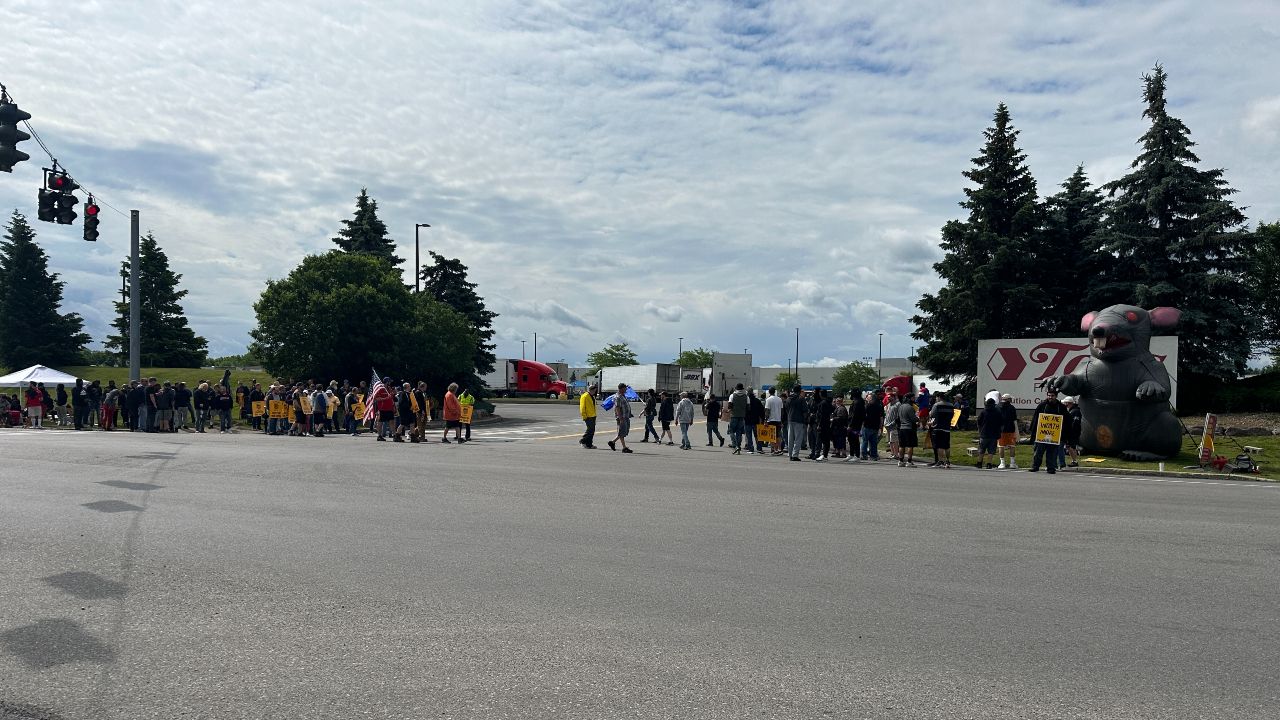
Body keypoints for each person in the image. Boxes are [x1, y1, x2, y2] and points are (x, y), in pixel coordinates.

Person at [1028, 389, 1067, 474]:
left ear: (1056, 396)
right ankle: (1035, 466)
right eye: (1049, 395)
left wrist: (1063, 435)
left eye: (1052, 396)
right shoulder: (1042, 406)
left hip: (1054, 435)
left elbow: (1066, 422)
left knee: (1052, 453)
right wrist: (1034, 433)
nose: (1050, 397)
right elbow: (1035, 419)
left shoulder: (1061, 407)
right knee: (1038, 452)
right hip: (1041, 435)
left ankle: (1051, 468)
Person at [928, 394, 955, 468]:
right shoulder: (951, 405)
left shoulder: (936, 405)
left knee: (940, 446)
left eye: (937, 397)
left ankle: (940, 461)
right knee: (947, 446)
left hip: (938, 428)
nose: (936, 399)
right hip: (947, 428)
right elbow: (953, 415)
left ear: (939, 397)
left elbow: (932, 415)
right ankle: (947, 461)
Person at [976, 397, 1002, 469]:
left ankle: (979, 463)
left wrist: (980, 430)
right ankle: (989, 464)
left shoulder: (983, 412)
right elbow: (1001, 423)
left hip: (984, 434)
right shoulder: (998, 412)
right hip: (994, 434)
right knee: (991, 451)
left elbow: (978, 422)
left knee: (982, 450)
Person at [607, 383, 633, 453]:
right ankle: (624, 448)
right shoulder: (617, 397)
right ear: (621, 389)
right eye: (625, 389)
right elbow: (617, 408)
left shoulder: (623, 395)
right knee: (622, 432)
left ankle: (612, 442)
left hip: (626, 416)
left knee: (624, 432)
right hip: (622, 417)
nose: (626, 390)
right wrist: (620, 418)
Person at [896, 392, 919, 467]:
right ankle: (909, 461)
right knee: (910, 445)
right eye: (913, 398)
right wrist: (918, 418)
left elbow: (898, 418)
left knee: (902, 445)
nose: (914, 399)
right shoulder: (910, 407)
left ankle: (900, 461)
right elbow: (913, 419)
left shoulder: (901, 406)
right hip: (909, 428)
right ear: (909, 398)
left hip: (902, 428)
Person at [785, 387, 808, 461]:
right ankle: (795, 455)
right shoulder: (801, 398)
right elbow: (805, 410)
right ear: (799, 391)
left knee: (790, 438)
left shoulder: (789, 398)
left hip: (790, 419)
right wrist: (805, 420)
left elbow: (786, 408)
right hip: (799, 420)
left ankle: (790, 454)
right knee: (798, 438)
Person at [997, 393, 1020, 470]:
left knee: (1001, 446)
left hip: (1000, 430)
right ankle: (1012, 463)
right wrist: (1017, 431)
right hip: (1011, 429)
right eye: (1010, 399)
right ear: (1008, 399)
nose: (1011, 400)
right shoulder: (1012, 408)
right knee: (1012, 446)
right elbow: (1014, 420)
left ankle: (1002, 463)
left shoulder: (997, 407)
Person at [862, 390, 883, 461]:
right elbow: (881, 417)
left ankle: (864, 455)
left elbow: (864, 415)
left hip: (867, 425)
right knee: (873, 442)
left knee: (865, 441)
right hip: (875, 426)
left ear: (871, 398)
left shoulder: (868, 405)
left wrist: (862, 424)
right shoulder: (879, 406)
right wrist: (880, 426)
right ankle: (873, 456)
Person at [727, 383, 748, 455]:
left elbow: (729, 406)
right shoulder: (746, 396)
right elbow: (748, 408)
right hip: (742, 416)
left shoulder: (732, 395)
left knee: (731, 431)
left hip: (734, 416)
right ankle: (738, 446)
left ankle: (735, 445)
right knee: (739, 432)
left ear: (736, 388)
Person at [1063, 396, 1082, 467]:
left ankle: (1074, 461)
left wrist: (1070, 432)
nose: (1064, 404)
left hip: (1073, 433)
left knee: (1071, 447)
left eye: (1065, 403)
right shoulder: (1072, 410)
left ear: (1068, 403)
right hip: (1073, 433)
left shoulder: (1075, 411)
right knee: (1070, 447)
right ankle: (1074, 460)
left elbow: (1075, 423)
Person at [765, 387, 784, 456]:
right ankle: (779, 449)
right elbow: (782, 411)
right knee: (778, 435)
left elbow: (767, 411)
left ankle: (774, 450)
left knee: (772, 435)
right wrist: (781, 420)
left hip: (771, 420)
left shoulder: (768, 400)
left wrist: (765, 420)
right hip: (778, 420)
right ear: (775, 392)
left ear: (769, 392)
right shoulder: (779, 399)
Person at [579, 383, 598, 449]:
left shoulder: (592, 396)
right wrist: (584, 416)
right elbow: (582, 407)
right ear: (591, 390)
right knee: (590, 430)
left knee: (592, 431)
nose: (595, 392)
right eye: (594, 391)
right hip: (588, 416)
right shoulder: (585, 396)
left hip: (593, 415)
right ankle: (583, 441)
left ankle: (589, 444)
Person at [745, 388, 764, 454]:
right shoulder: (757, 401)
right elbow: (762, 411)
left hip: (747, 420)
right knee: (757, 435)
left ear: (747, 392)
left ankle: (751, 448)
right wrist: (762, 419)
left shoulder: (746, 401)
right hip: (756, 420)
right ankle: (759, 448)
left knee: (749, 435)